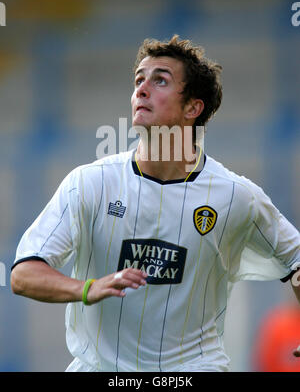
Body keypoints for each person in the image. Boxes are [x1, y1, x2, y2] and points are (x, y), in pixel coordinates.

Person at [11, 35, 300, 372]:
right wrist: (88, 288)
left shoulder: (236, 196)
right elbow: (23, 274)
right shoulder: (89, 183)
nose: (141, 90)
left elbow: (295, 258)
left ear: (193, 107)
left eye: (159, 80)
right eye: (138, 80)